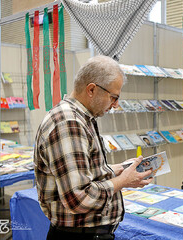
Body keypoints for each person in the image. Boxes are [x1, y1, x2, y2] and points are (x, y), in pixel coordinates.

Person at [34, 55, 153, 240]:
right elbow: (79, 197)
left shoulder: (81, 118)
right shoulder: (69, 122)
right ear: (91, 90)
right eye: (113, 97)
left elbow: (85, 172)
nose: (115, 105)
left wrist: (119, 169)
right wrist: (123, 181)